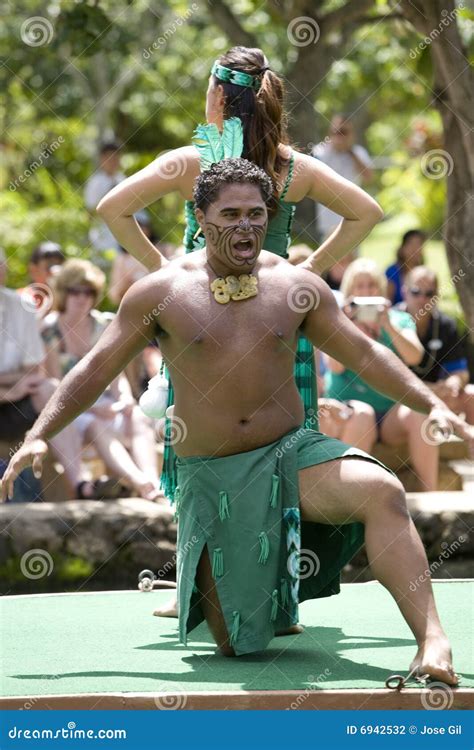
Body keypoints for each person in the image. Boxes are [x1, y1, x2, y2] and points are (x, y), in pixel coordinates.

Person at [4, 160, 472, 684]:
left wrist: (431, 404)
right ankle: (250, 595)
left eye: (255, 214)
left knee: (381, 489)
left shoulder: (296, 286)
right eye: (230, 214)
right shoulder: (160, 292)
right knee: (237, 646)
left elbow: (363, 352)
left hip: (291, 454)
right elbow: (93, 368)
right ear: (201, 217)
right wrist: (38, 434)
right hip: (214, 474)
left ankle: (433, 641)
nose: (246, 225)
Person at [96, 46, 384, 501]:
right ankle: (287, 549)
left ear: (220, 99)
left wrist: (164, 271)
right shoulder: (292, 167)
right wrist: (307, 270)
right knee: (283, 449)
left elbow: (112, 209)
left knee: (207, 448)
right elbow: (366, 212)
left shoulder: (192, 163)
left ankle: (210, 553)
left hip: (201, 319)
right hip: (279, 318)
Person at [42, 258, 162, 501]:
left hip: (107, 405)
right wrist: (96, 408)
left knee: (138, 415)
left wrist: (125, 400)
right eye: (75, 290)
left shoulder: (104, 324)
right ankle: (141, 484)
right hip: (71, 412)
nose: (81, 297)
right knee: (96, 426)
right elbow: (55, 385)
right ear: (64, 292)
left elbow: (116, 375)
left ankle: (153, 482)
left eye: (88, 291)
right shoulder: (50, 329)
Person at [323, 258, 443, 491]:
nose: (367, 291)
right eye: (360, 286)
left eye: (372, 286)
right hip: (351, 411)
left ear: (382, 291)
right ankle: (350, 497)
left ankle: (432, 495)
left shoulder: (398, 319)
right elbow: (335, 366)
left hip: (390, 414)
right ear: (349, 292)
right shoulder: (337, 321)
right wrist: (349, 328)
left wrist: (387, 325)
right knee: (363, 414)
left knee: (420, 412)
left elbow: (415, 356)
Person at [0, 247, 82, 500]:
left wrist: (12, 389)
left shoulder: (22, 305)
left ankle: (79, 483)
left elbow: (33, 370)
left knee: (50, 387)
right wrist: (6, 388)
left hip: (18, 403)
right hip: (9, 395)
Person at [399, 266, 474, 423]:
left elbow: (460, 371)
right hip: (401, 400)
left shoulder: (446, 325)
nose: (422, 299)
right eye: (416, 292)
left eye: (429, 294)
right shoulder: (392, 323)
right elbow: (388, 381)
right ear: (404, 292)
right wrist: (430, 389)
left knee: (471, 394)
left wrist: (453, 383)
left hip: (440, 395)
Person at [311, 113, 374, 289]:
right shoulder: (320, 152)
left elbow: (369, 176)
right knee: (325, 267)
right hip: (328, 222)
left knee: (353, 269)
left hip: (353, 222)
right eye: (337, 131)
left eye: (344, 132)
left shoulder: (358, 152)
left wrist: (350, 151)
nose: (340, 136)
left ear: (351, 133)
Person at [84, 141, 125, 260]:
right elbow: (90, 211)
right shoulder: (95, 182)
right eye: (109, 158)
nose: (113, 162)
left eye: (116, 157)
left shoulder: (123, 179)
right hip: (101, 233)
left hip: (122, 230)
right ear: (102, 159)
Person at [385, 229, 426, 305]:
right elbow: (388, 300)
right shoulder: (392, 272)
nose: (415, 249)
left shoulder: (424, 273)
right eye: (411, 244)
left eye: (419, 244)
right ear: (403, 247)